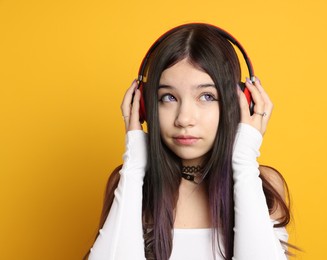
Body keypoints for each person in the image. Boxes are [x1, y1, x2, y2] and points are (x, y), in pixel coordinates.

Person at [86, 23, 293, 260]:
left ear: (241, 104)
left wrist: (244, 162)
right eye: (168, 97)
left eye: (206, 96)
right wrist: (134, 164)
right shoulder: (130, 180)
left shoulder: (264, 186)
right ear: (144, 106)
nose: (184, 118)